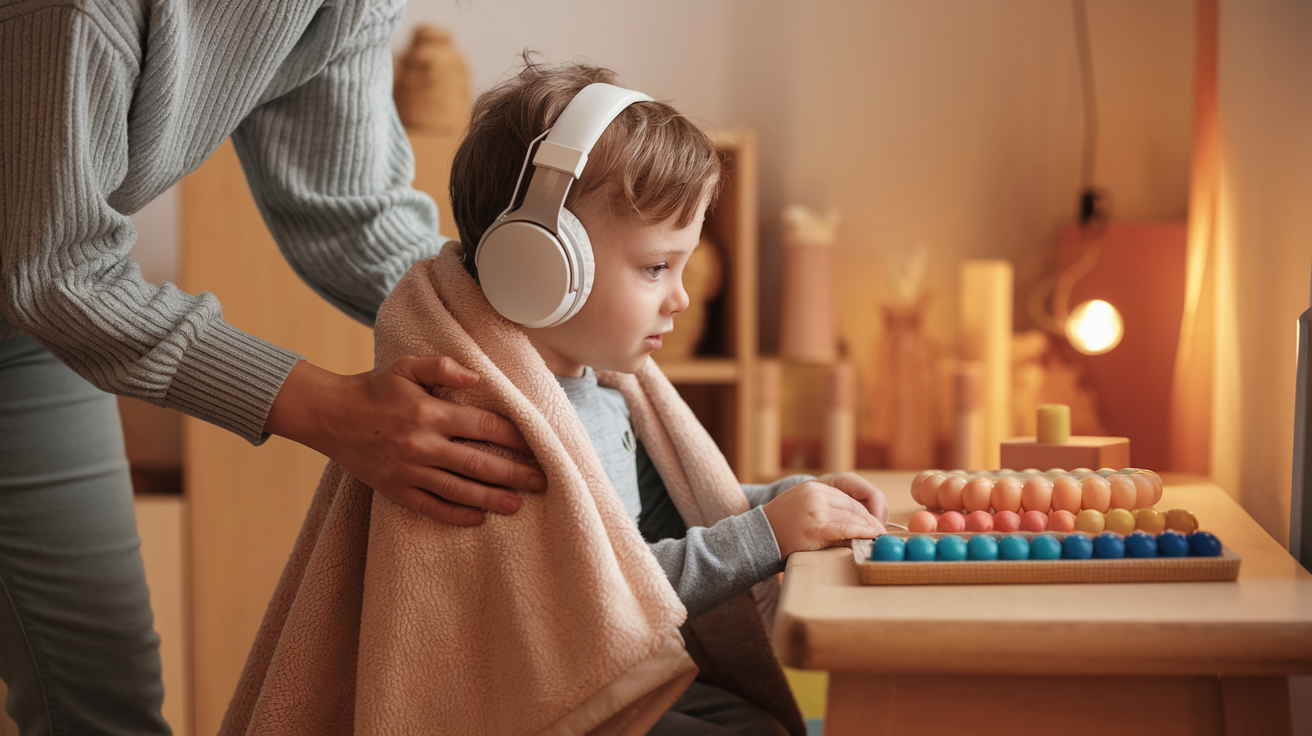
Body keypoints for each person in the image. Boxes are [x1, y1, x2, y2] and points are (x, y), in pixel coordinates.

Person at [0, 1, 543, 733]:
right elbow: (56, 270)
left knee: (101, 702)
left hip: (28, 313)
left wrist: (521, 351)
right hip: (41, 280)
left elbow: (353, 209)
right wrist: (332, 411)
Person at [449, 60, 890, 735]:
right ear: (538, 264)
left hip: (618, 673)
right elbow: (610, 589)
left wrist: (788, 500)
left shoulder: (599, 391)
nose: (681, 298)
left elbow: (660, 528)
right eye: (656, 267)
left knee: (763, 722)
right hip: (549, 706)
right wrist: (767, 536)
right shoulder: (505, 425)